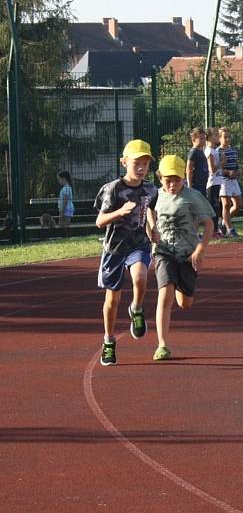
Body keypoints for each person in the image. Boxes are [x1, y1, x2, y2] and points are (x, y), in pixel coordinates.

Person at [94, 139, 158, 367]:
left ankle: (137, 308)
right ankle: (109, 341)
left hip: (138, 244)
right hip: (114, 249)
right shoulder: (114, 189)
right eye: (136, 163)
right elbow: (100, 221)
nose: (141, 168)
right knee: (113, 298)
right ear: (124, 162)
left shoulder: (150, 188)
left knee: (141, 277)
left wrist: (153, 230)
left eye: (145, 164)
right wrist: (120, 211)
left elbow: (149, 208)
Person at [151, 155, 215, 361]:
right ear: (160, 178)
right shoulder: (155, 196)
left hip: (187, 255)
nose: (172, 185)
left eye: (177, 180)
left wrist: (199, 250)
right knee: (164, 293)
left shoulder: (192, 197)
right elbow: (149, 214)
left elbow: (209, 224)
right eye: (167, 180)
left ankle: (182, 287)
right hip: (164, 252)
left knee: (185, 303)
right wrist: (151, 231)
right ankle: (162, 345)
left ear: (183, 179)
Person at [218, 127, 242, 238]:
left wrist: (238, 170)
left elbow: (236, 163)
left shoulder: (233, 150)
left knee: (238, 205)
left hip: (233, 180)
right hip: (224, 180)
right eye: (225, 137)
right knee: (226, 205)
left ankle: (223, 222)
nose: (227, 139)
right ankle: (229, 229)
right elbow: (216, 168)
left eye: (229, 137)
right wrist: (227, 172)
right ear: (219, 138)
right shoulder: (218, 151)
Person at [204, 127, 224, 237]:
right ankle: (213, 230)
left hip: (218, 181)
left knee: (217, 207)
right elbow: (212, 169)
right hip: (212, 183)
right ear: (210, 137)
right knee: (213, 207)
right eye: (215, 135)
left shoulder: (215, 150)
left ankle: (216, 229)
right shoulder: (209, 151)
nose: (218, 137)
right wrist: (222, 162)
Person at [186, 127, 209, 197]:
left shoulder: (201, 151)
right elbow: (189, 169)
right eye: (201, 139)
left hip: (203, 184)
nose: (204, 141)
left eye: (204, 138)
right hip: (196, 185)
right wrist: (189, 185)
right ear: (193, 139)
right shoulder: (193, 152)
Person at [57, 170, 74, 236]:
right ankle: (64, 236)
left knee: (63, 224)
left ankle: (63, 236)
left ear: (63, 178)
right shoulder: (68, 187)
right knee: (65, 224)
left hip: (66, 209)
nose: (59, 181)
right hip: (68, 209)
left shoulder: (65, 188)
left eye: (59, 179)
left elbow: (65, 201)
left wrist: (62, 212)